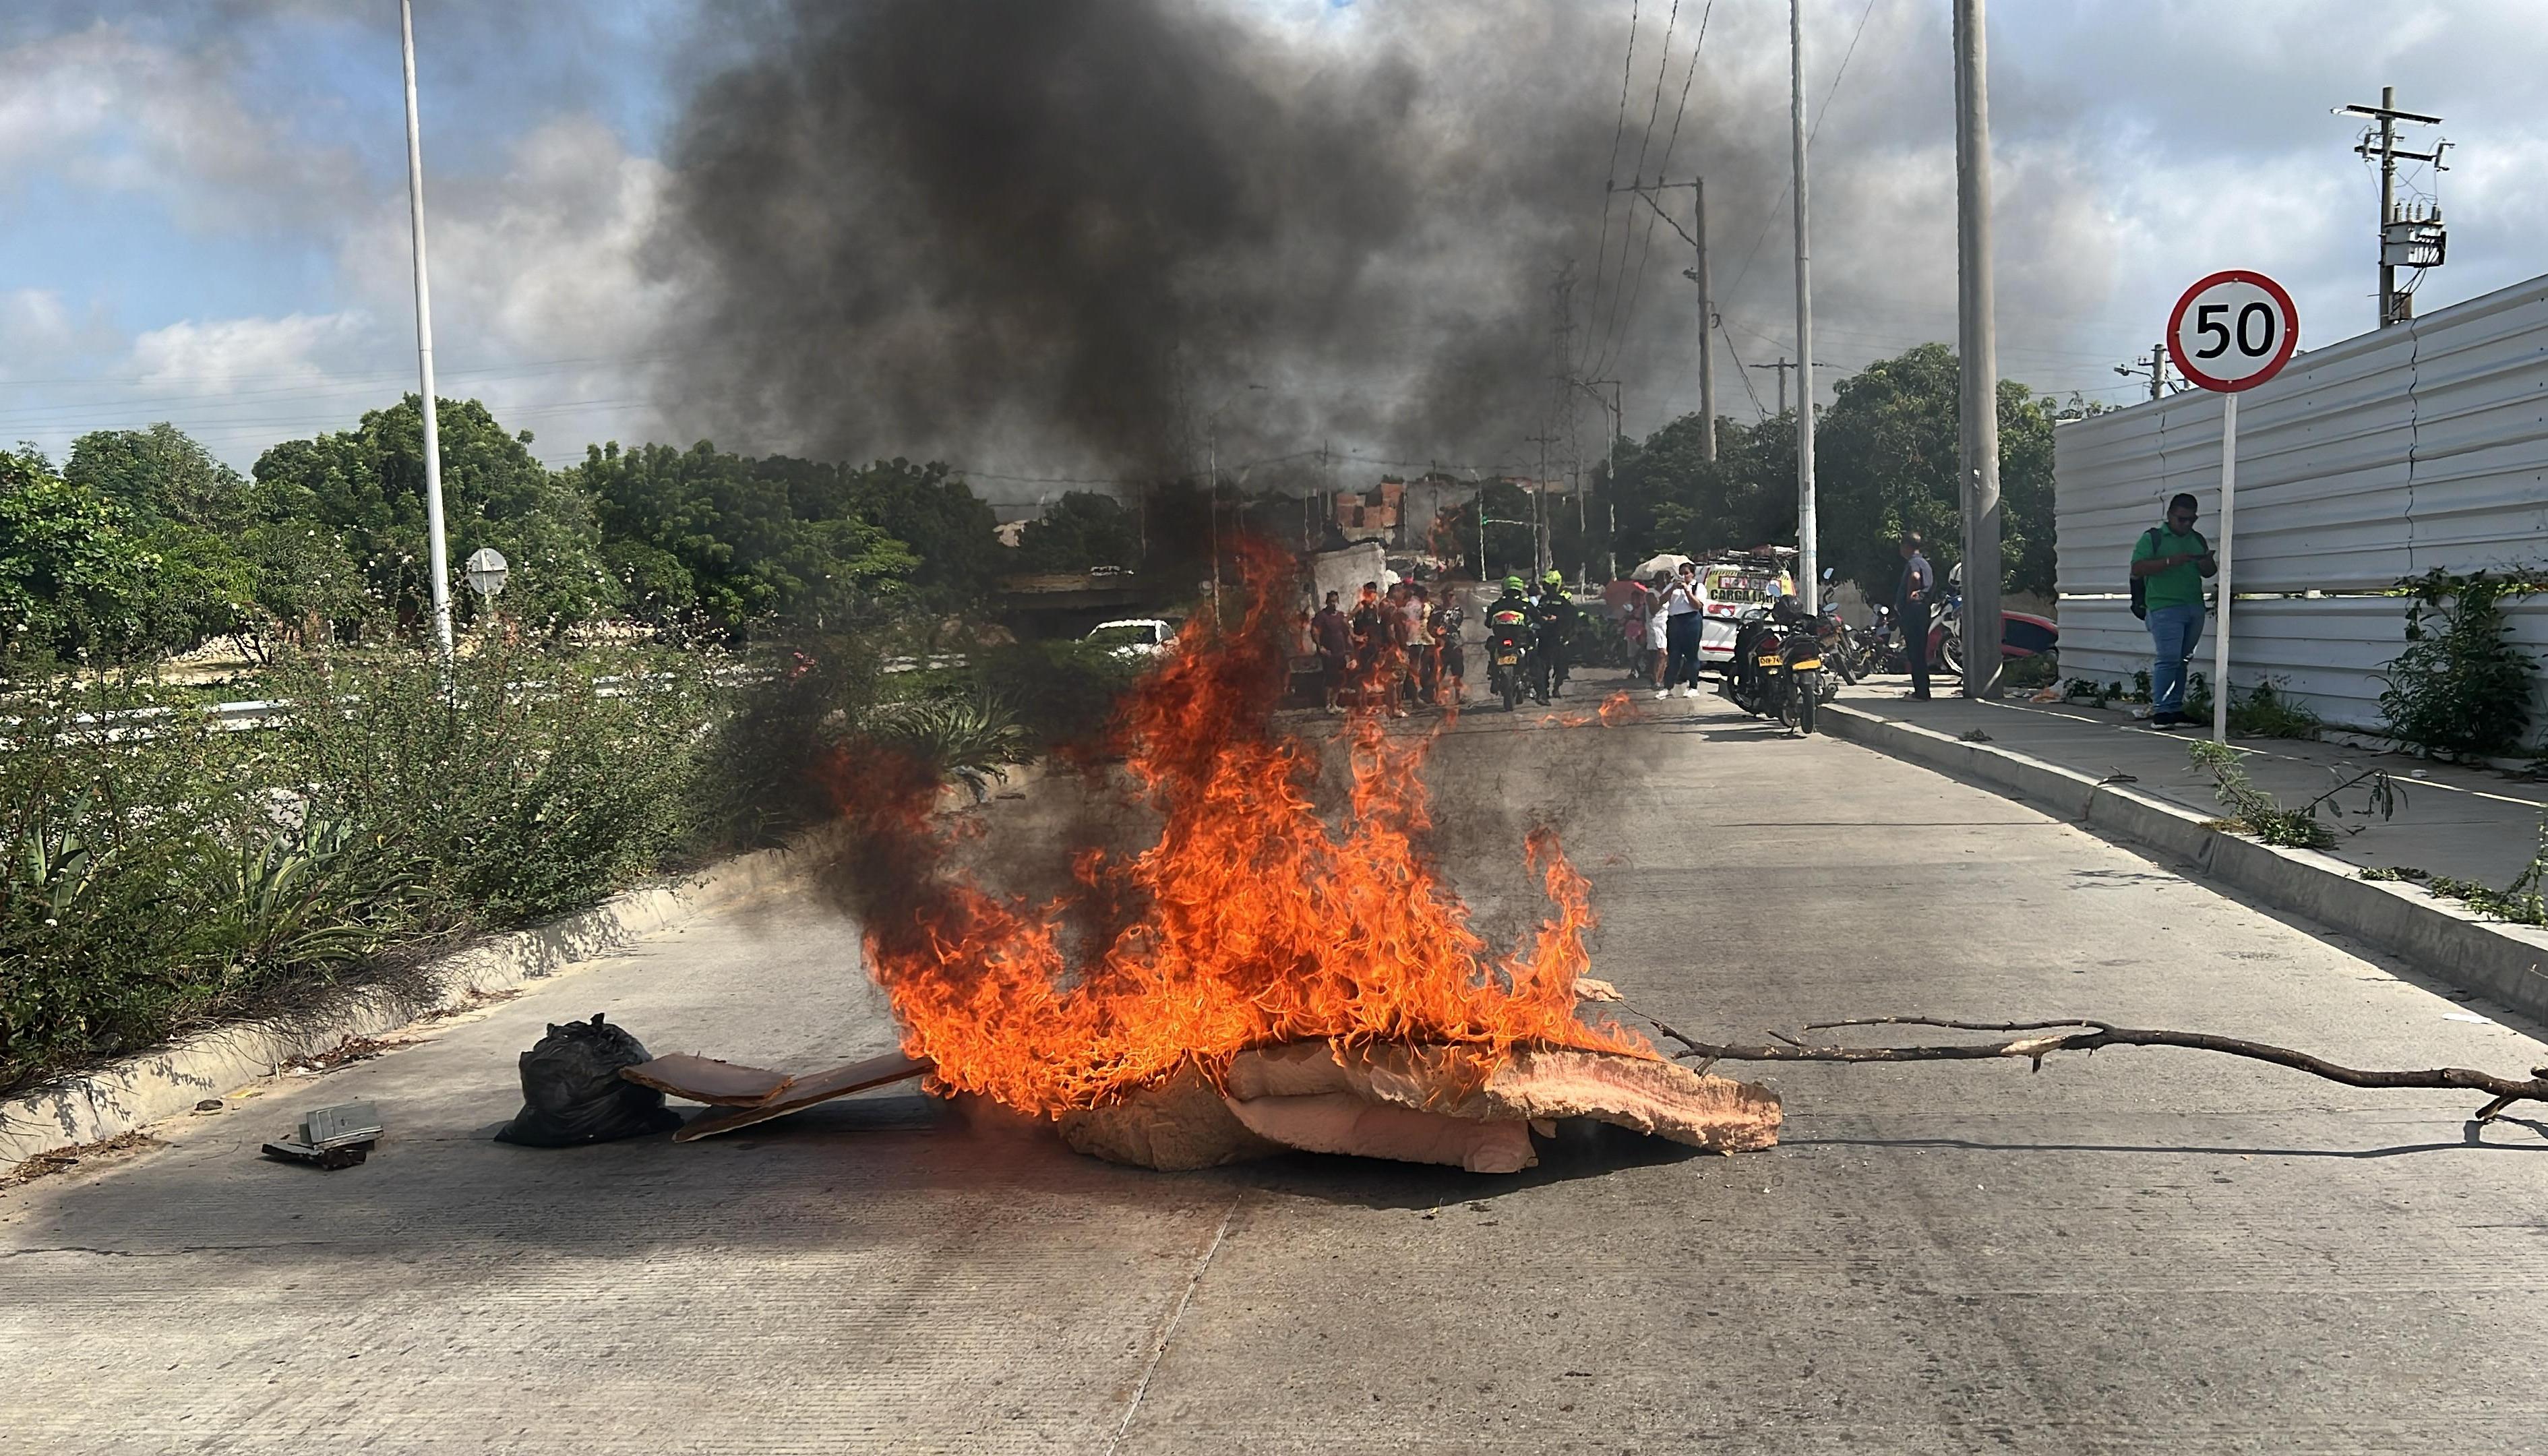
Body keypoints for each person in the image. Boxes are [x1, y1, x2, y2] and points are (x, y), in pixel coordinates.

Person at [2130, 491, 2218, 729]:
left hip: (2194, 605)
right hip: (2163, 606)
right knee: (2169, 658)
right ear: (2170, 515)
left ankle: (2175, 708)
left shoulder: (2197, 539)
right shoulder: (2153, 538)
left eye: (2191, 519)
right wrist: (2169, 562)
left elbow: (2209, 573)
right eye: (2181, 519)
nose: (2186, 524)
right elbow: (2138, 567)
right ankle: (2161, 711)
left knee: (2183, 659)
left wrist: (2206, 562)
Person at [1896, 533, 1935, 702]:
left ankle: (1921, 693)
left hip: (1914, 611)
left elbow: (1915, 577)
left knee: (1915, 653)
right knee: (1919, 651)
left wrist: (1908, 596)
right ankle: (1922, 690)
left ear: (1907, 546)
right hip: (1923, 610)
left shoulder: (1914, 563)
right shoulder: (1925, 563)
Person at [1658, 560, 1704, 698]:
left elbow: (1697, 606)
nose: (1683, 576)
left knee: (1691, 656)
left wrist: (1687, 591)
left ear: (1692, 575)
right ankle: (1667, 687)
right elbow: (1661, 601)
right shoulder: (1672, 587)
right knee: (1673, 656)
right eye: (1681, 573)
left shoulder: (1698, 587)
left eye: (1686, 573)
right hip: (1675, 622)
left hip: (1691, 621)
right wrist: (1673, 589)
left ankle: (1693, 686)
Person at [1311, 590, 1352, 712]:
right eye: (1331, 602)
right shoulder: (1322, 616)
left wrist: (1350, 650)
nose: (1333, 604)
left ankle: (1335, 703)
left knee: (1340, 679)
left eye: (1335, 601)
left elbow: (1347, 632)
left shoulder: (1340, 616)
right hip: (1329, 652)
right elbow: (1315, 631)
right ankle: (1328, 704)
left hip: (1341, 652)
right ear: (1327, 602)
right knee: (1330, 678)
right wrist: (1320, 647)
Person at [1429, 590, 1465, 707]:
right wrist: (1436, 631)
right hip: (1442, 644)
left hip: (1455, 643)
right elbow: (1430, 626)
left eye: (1451, 596)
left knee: (1458, 672)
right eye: (1447, 596)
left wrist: (1445, 629)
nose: (1449, 598)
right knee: (1439, 671)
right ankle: (1437, 696)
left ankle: (1458, 697)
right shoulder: (1437, 611)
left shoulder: (1458, 611)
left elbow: (1456, 623)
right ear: (1442, 596)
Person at [1403, 583, 1436, 707]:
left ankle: (1419, 694)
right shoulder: (1416, 606)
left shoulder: (1412, 605)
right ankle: (1415, 698)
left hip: (1418, 639)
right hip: (1415, 641)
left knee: (1416, 669)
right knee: (1415, 670)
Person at [1642, 572, 1671, 690]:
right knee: (1661, 653)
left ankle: (1660, 679)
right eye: (1663, 578)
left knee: (1665, 655)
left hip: (1667, 625)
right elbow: (1654, 609)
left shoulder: (1670, 593)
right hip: (1655, 626)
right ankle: (1656, 680)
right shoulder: (1651, 594)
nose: (1665, 581)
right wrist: (1666, 595)